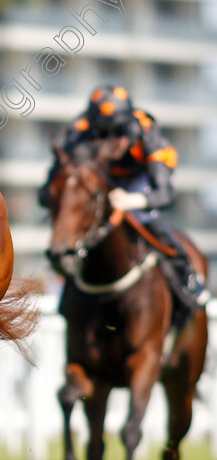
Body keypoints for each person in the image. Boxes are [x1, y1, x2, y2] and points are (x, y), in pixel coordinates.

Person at [40, 85, 209, 314]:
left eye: (119, 131)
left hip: (137, 183)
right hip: (100, 180)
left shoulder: (148, 132)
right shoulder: (78, 131)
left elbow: (166, 193)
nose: (111, 141)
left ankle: (187, 277)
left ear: (130, 127)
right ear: (91, 130)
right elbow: (49, 187)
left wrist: (132, 201)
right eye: (102, 133)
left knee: (145, 220)